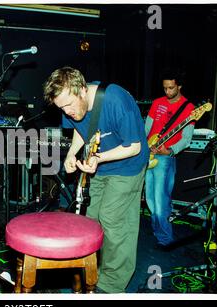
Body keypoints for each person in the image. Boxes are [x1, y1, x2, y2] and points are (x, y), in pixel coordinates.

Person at [43, 66, 149, 293]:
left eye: (69, 105)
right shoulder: (68, 103)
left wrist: (98, 158)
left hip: (128, 165)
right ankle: (94, 269)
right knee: (91, 219)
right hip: (100, 166)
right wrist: (71, 154)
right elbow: (80, 130)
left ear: (82, 89)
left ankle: (112, 284)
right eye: (61, 107)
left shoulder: (115, 99)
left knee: (113, 220)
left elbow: (134, 146)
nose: (67, 111)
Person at [145, 70, 195, 248]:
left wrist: (171, 150)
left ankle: (165, 239)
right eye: (165, 88)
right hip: (149, 155)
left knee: (161, 199)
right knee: (150, 199)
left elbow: (187, 139)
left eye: (171, 88)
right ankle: (158, 232)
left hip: (165, 159)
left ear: (179, 86)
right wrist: (144, 146)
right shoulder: (157, 103)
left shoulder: (189, 108)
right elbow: (147, 128)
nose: (167, 91)